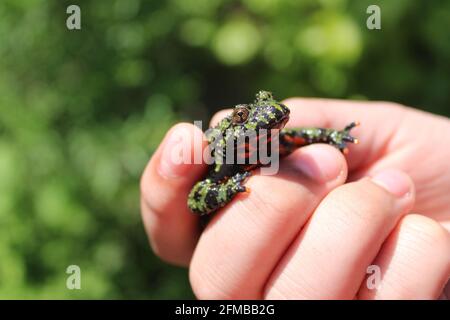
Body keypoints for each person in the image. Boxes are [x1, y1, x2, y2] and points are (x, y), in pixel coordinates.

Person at [140, 97, 450, 299]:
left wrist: (334, 137)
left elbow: (307, 134)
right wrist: (227, 189)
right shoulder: (218, 158)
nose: (267, 112)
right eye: (244, 116)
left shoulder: (276, 141)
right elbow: (196, 198)